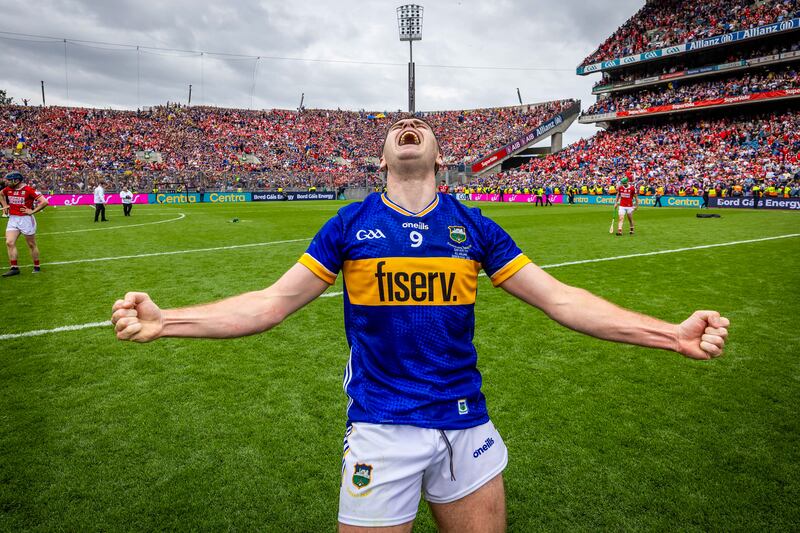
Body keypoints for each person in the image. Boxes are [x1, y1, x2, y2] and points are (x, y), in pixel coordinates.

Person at [112, 117, 729, 532]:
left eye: (421, 127)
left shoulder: (475, 227)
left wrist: (668, 333)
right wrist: (170, 321)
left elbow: (561, 300)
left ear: (439, 154)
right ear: (382, 155)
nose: (408, 130)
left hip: (467, 425)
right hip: (382, 428)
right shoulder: (349, 226)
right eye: (396, 130)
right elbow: (270, 304)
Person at [1, 171, 48, 276]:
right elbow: (1, 194)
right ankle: (14, 268)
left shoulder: (28, 190)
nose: (6, 182)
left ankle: (36, 265)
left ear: (16, 181)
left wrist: (32, 211)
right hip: (13, 219)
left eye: (9, 180)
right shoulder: (8, 189)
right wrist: (5, 206)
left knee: (31, 244)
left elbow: (45, 202)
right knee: (9, 242)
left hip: (25, 219)